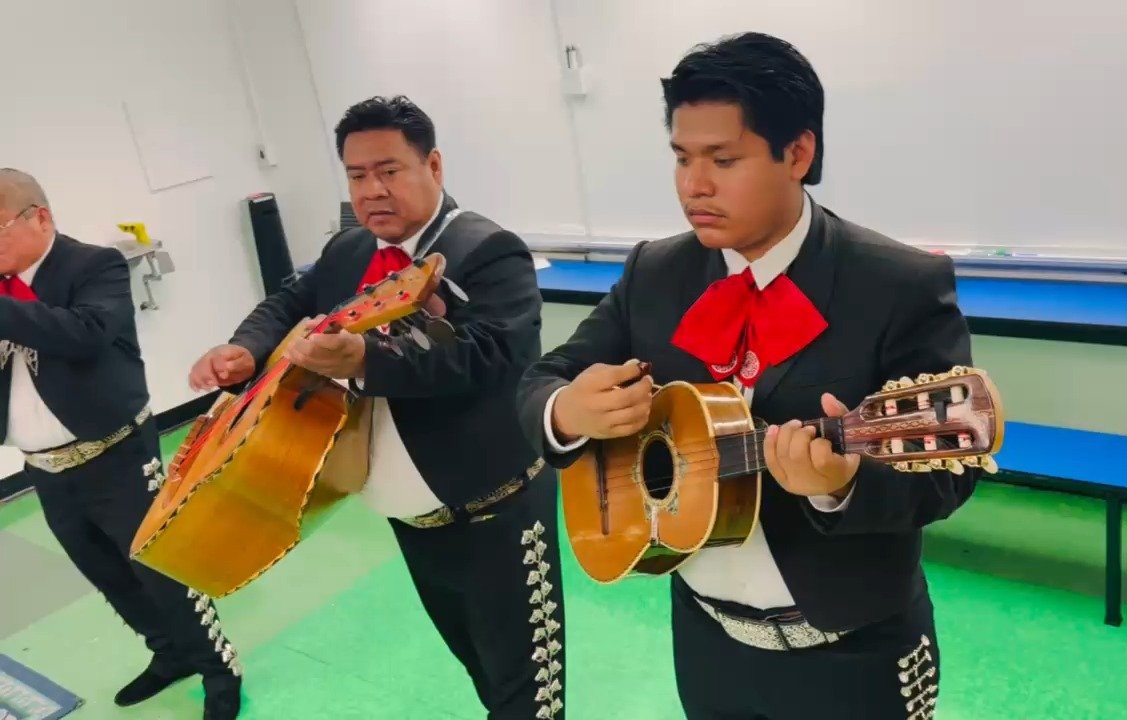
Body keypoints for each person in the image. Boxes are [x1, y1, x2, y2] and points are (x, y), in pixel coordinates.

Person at [517, 33, 988, 720]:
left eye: (723, 159)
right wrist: (566, 411)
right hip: (707, 638)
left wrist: (842, 484)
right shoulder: (657, 272)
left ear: (797, 153)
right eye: (681, 158)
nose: (693, 185)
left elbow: (950, 472)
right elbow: (542, 380)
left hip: (853, 650)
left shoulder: (897, 286)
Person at [188, 95, 565, 720]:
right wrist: (244, 348)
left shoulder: (488, 250)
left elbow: (492, 354)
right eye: (357, 175)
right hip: (408, 518)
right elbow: (289, 300)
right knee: (477, 664)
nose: (373, 189)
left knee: (528, 693)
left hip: (495, 516)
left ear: (434, 166)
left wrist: (365, 360)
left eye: (389, 170)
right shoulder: (347, 250)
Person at [0, 169, 242, 719]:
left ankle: (217, 669)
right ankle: (169, 655)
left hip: (117, 457)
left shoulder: (93, 266)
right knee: (107, 576)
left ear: (40, 217)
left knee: (164, 573)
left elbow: (84, 334)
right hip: (45, 468)